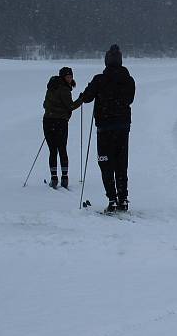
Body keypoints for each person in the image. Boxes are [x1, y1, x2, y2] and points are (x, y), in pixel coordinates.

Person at [80, 44, 136, 212]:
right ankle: (123, 199)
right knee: (121, 163)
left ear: (106, 61)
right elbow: (129, 99)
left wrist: (90, 92)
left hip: (104, 128)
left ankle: (112, 199)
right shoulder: (128, 79)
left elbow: (87, 98)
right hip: (123, 127)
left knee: (105, 163)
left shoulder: (99, 79)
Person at [42, 66, 83, 188]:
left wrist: (53, 110)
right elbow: (70, 106)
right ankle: (64, 178)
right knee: (62, 149)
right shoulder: (64, 89)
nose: (70, 79)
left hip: (48, 121)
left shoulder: (51, 87)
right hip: (60, 122)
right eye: (68, 77)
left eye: (71, 77)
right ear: (63, 77)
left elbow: (45, 104)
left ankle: (54, 178)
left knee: (53, 150)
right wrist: (81, 100)